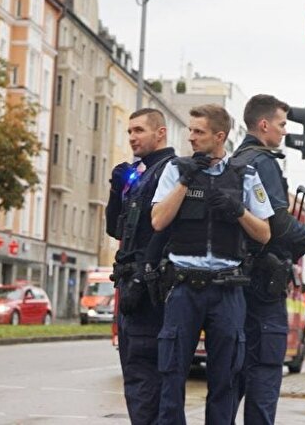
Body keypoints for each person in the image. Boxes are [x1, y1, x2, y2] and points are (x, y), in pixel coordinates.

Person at [151, 104, 272, 425]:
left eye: (198, 132)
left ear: (220, 136)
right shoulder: (176, 169)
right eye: (190, 130)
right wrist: (185, 181)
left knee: (226, 378)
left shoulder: (246, 175)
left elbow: (264, 233)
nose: (191, 137)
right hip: (183, 287)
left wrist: (238, 210)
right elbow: (158, 220)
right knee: (171, 373)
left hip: (226, 289)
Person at [231, 94, 305, 425]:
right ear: (263, 125)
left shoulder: (235, 161)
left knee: (231, 379)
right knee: (264, 374)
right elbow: (279, 223)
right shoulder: (264, 162)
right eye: (281, 124)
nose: (284, 131)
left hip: (237, 284)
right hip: (264, 286)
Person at [105, 108, 176, 425]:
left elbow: (163, 232)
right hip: (130, 285)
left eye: (139, 131)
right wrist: (115, 190)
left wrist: (143, 277)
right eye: (129, 131)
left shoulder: (169, 171)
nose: (132, 137)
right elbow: (116, 229)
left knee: (145, 375)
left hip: (149, 289)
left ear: (160, 133)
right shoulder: (140, 174)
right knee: (134, 373)